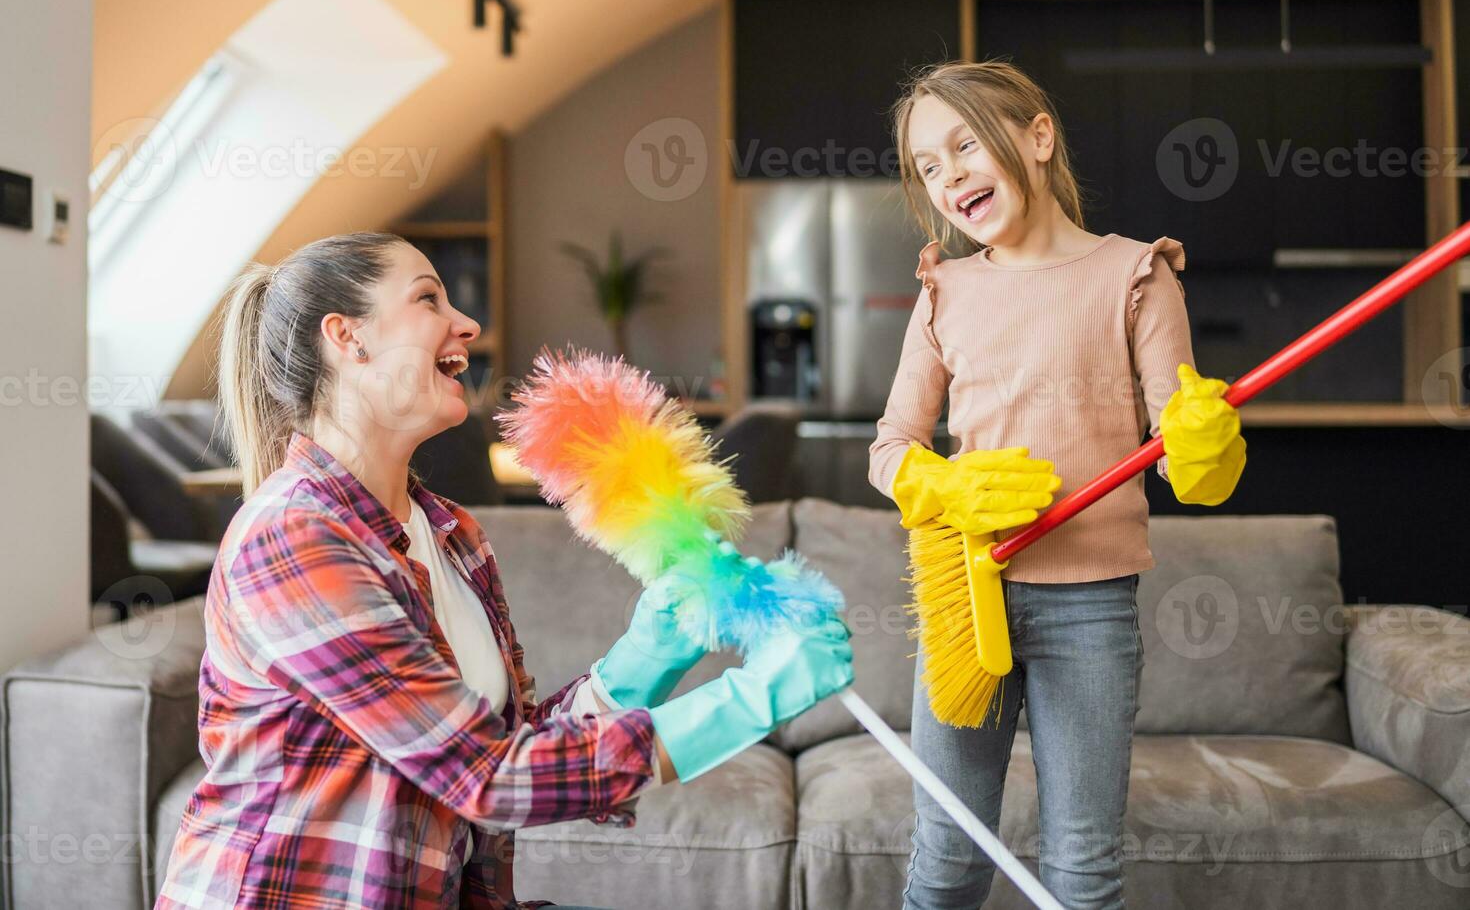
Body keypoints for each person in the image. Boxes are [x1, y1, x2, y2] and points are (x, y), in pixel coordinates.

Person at [155, 232, 853, 908]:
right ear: (347, 338)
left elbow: (500, 745)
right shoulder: (296, 539)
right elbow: (488, 779)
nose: (467, 323)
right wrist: (751, 701)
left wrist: (640, 663)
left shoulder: (455, 536)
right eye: (429, 300)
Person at [870, 60, 1247, 910]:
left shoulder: (1136, 276)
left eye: (966, 144)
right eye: (929, 166)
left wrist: (1204, 442)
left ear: (1038, 138)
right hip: (969, 596)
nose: (950, 173)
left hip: (1091, 609)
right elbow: (891, 447)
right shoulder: (945, 291)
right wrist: (945, 487)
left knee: (1082, 873)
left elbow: (1192, 467)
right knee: (948, 863)